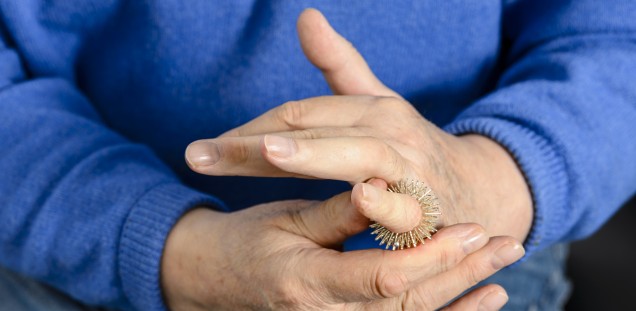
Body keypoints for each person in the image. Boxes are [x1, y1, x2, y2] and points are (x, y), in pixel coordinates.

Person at [1, 1, 634, 310]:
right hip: (71, 237)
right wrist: (168, 249)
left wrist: (487, 176)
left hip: (474, 247)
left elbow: (616, 36)